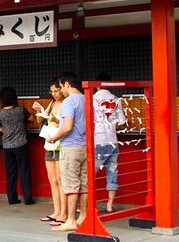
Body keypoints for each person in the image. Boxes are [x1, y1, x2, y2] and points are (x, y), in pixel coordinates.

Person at [46, 72, 87, 232]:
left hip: (70, 147)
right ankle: (82, 217)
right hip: (85, 146)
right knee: (84, 184)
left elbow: (68, 126)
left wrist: (53, 138)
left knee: (70, 185)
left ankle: (70, 220)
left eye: (61, 86)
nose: (60, 90)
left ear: (67, 84)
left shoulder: (69, 101)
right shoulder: (85, 98)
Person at [33, 79, 67, 226]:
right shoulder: (52, 103)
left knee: (60, 179)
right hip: (49, 143)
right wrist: (38, 110)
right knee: (52, 179)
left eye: (56, 91)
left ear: (62, 89)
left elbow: (66, 123)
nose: (54, 94)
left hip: (61, 143)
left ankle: (64, 213)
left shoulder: (67, 103)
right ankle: (56, 211)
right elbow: (41, 121)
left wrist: (54, 118)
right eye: (51, 91)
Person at [93, 73, 127, 213]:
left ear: (97, 84)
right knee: (112, 171)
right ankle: (109, 204)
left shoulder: (92, 99)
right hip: (112, 140)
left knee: (90, 173)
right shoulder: (116, 99)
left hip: (97, 140)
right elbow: (122, 121)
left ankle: (90, 204)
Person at [0, 87, 35, 205]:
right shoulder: (20, 110)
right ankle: (28, 198)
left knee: (10, 173)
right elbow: (32, 118)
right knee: (24, 171)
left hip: (7, 146)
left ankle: (12, 198)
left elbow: (0, 127)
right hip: (21, 144)